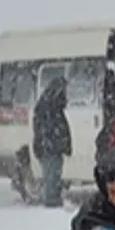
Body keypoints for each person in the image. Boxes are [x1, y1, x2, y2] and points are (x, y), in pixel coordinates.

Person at [31, 77, 71, 207]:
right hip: (50, 149)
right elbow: (47, 129)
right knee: (52, 177)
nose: (66, 92)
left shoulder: (51, 105)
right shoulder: (49, 106)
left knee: (54, 176)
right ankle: (51, 203)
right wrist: (57, 143)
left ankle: (53, 200)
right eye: (64, 89)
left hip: (51, 148)